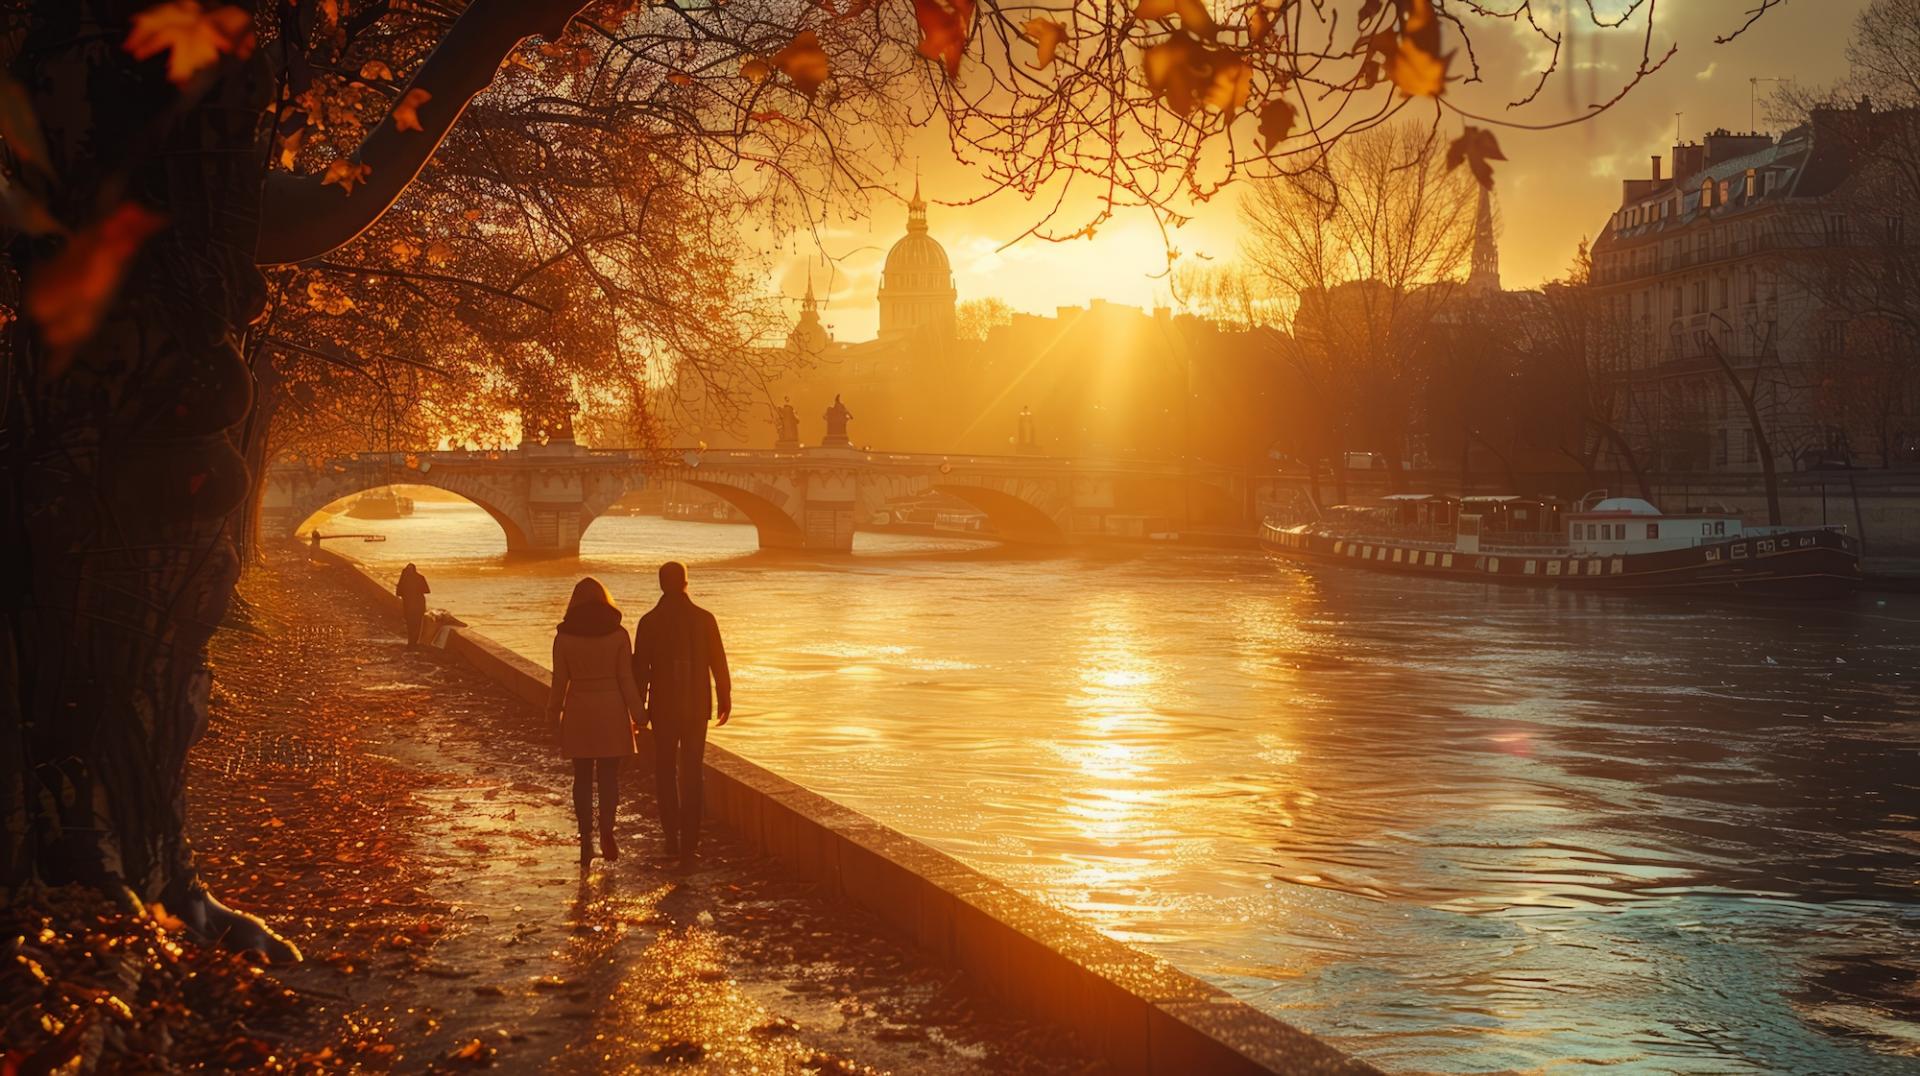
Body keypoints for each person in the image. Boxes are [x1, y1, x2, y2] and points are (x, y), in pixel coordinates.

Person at [632, 561, 730, 867]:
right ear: (686, 583)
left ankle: (671, 838)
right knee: (692, 772)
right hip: (697, 706)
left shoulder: (649, 622)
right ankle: (690, 843)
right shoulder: (705, 619)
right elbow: (718, 663)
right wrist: (725, 697)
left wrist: (638, 709)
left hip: (662, 707)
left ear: (661, 585)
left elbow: (640, 671)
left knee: (664, 771)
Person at [548, 578, 644, 866]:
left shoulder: (563, 638)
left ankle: (585, 836)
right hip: (612, 710)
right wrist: (639, 714)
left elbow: (559, 682)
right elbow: (626, 679)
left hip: (579, 710)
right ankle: (607, 828)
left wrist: (552, 713)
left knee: (582, 777)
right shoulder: (618, 635)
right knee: (608, 777)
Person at [395, 564, 430, 647]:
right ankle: (414, 642)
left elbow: (398, 593)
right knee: (417, 625)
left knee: (410, 625)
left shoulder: (404, 579)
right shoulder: (420, 577)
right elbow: (427, 590)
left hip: (408, 605)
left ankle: (411, 642)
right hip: (418, 605)